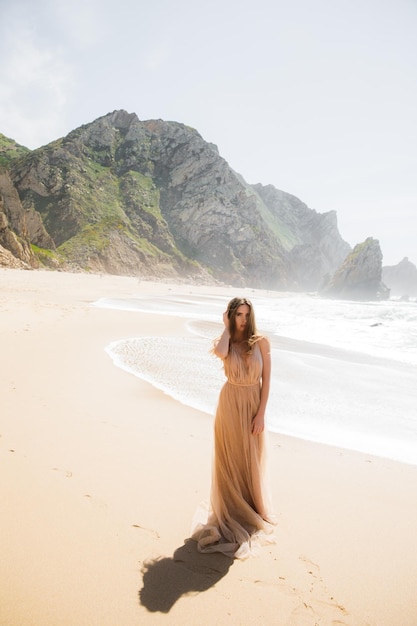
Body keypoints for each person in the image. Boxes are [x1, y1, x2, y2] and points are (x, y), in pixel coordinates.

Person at [192, 297, 275, 558]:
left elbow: (267, 380)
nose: (243, 319)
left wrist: (261, 413)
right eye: (237, 314)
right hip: (229, 405)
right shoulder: (227, 342)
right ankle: (231, 506)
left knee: (252, 455)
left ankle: (257, 508)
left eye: (246, 314)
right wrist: (226, 328)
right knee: (231, 458)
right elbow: (220, 352)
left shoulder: (261, 342)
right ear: (230, 316)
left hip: (252, 403)